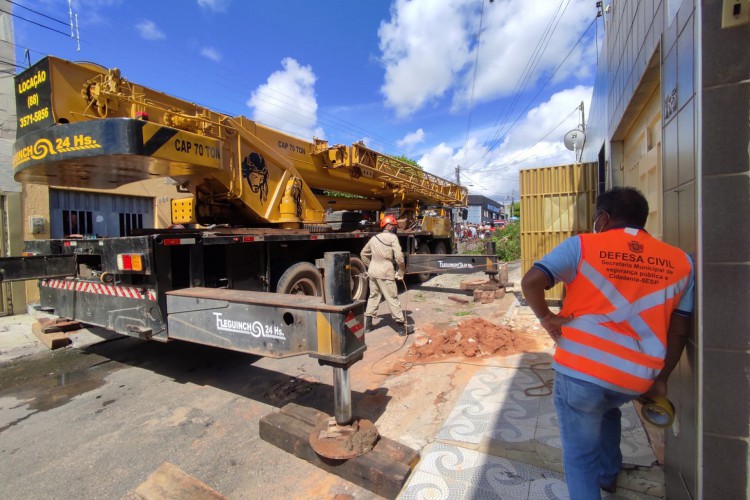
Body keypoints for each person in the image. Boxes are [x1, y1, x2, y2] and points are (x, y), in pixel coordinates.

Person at [520, 187, 694, 499]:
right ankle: (608, 475)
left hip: (581, 373)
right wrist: (661, 380)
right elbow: (680, 330)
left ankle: (598, 477)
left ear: (602, 218)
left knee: (579, 457)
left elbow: (531, 282)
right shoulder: (682, 263)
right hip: (635, 379)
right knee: (608, 410)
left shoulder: (583, 246)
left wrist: (547, 318)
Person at [361, 215, 412, 336]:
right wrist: (401, 270)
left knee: (373, 296)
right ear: (389, 227)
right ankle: (401, 328)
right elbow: (399, 257)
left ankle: (368, 326)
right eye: (394, 226)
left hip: (373, 271)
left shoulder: (374, 238)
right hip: (386, 271)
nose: (395, 229)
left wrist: (371, 265)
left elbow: (363, 254)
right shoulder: (392, 238)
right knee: (392, 298)